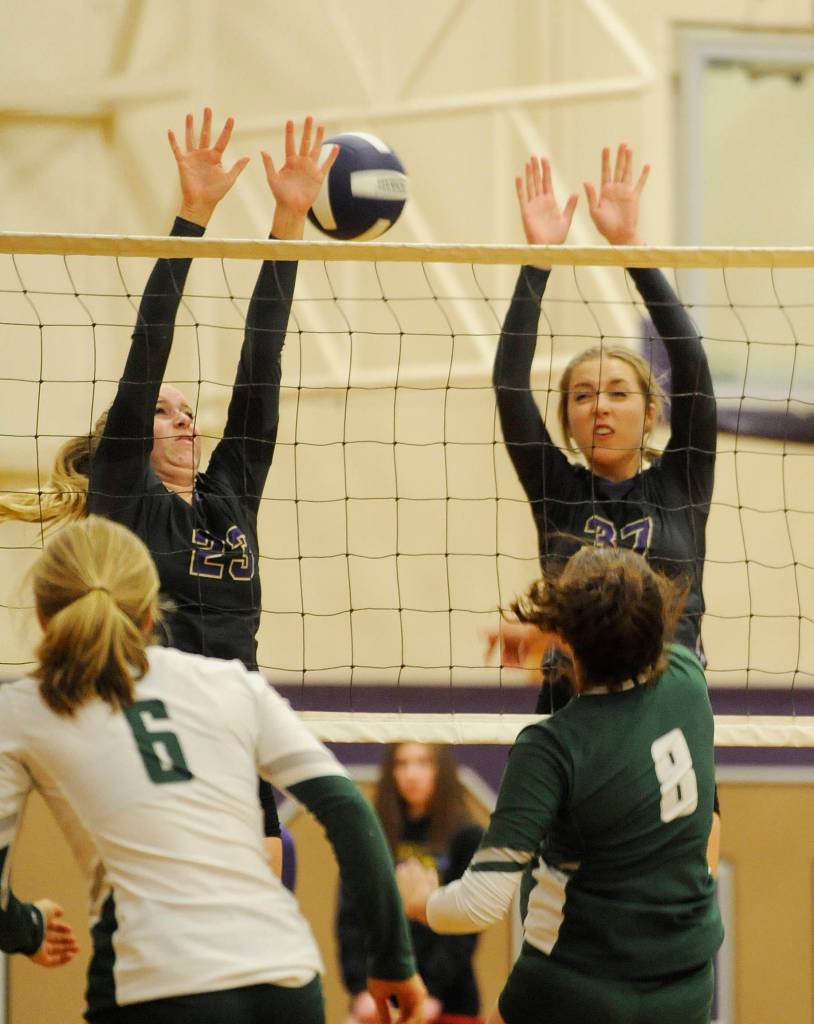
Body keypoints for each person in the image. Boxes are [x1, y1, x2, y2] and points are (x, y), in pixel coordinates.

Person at [0, 108, 338, 870]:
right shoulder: (125, 493)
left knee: (258, 906)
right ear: (130, 431)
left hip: (237, 731)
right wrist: (192, 218)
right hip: (148, 730)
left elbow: (263, 364)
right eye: (164, 410)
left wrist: (289, 223)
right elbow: (147, 346)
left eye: (190, 411)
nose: (184, 420)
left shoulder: (229, 495)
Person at [0, 515, 425, 1024]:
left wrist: (25, 928)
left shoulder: (23, 709)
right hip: (285, 978)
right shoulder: (229, 682)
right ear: (148, 614)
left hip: (154, 985)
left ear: (44, 618)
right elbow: (349, 811)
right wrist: (393, 959)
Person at [399, 545, 724, 1024]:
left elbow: (481, 902)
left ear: (567, 633)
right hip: (687, 986)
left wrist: (416, 902)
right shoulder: (688, 680)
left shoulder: (553, 747)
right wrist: (557, 637)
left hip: (575, 986)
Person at [487, 144, 717, 719]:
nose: (600, 408)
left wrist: (631, 251)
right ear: (566, 420)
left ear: (650, 410)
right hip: (573, 703)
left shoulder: (680, 482)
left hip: (668, 700)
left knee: (702, 819)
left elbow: (691, 365)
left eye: (618, 392)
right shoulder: (557, 490)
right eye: (583, 396)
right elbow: (510, 384)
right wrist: (538, 260)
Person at [338, 743, 483, 1024]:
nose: (411, 774)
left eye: (423, 762)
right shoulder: (370, 834)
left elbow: (464, 929)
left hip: (447, 1000)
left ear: (441, 770)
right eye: (402, 764)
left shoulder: (467, 837)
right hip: (378, 998)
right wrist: (359, 990)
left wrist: (431, 992)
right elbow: (350, 920)